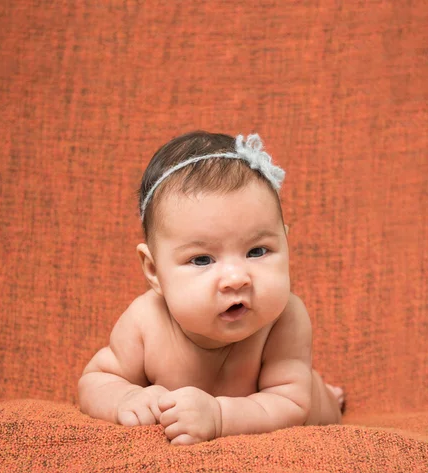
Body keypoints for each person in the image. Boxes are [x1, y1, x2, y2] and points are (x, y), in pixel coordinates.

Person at [78, 131, 345, 446]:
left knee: (312, 393)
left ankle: (325, 392)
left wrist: (219, 415)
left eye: (257, 251)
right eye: (202, 259)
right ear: (153, 270)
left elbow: (289, 404)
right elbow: (96, 380)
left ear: (285, 242)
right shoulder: (144, 320)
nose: (236, 278)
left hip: (304, 400)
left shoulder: (284, 317)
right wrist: (125, 397)